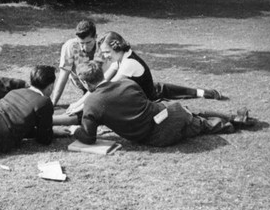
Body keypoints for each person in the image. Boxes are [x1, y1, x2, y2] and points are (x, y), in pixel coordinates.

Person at [71, 61, 255, 147]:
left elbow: (88, 137)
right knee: (192, 114)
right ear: (102, 74)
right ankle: (233, 119)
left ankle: (230, 124)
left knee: (196, 123)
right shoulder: (127, 83)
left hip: (156, 136)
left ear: (85, 83)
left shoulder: (92, 103)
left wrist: (74, 131)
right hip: (166, 116)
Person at [100, 31, 225, 101]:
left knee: (172, 92)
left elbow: (107, 86)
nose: (105, 56)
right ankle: (203, 92)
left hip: (150, 97)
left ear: (116, 48)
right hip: (152, 88)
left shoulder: (128, 63)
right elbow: (104, 79)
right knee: (166, 88)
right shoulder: (121, 57)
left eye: (107, 52)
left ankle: (205, 93)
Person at [51, 19, 107, 106]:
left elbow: (107, 77)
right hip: (82, 82)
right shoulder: (70, 46)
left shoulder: (104, 48)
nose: (85, 47)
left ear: (96, 37)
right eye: (81, 43)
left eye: (88, 42)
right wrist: (53, 103)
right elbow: (63, 76)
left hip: (101, 83)